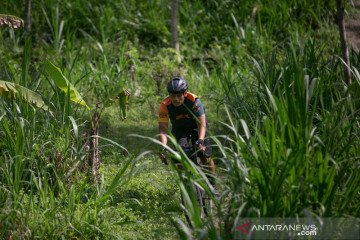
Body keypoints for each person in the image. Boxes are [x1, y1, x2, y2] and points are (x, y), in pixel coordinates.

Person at [158, 77, 219, 195]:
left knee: (204, 155)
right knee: (179, 156)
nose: (176, 99)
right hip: (180, 129)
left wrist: (200, 141)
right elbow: (163, 129)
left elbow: (201, 123)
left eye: (179, 95)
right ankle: (186, 184)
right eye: (172, 95)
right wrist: (163, 147)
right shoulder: (165, 104)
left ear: (185, 93)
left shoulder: (194, 100)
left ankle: (212, 184)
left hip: (198, 127)